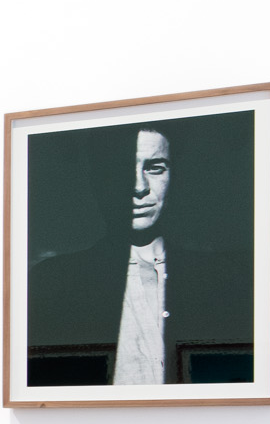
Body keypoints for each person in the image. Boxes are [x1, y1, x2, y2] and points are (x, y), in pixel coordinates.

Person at [27, 125, 253, 386]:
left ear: (174, 177)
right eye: (121, 169)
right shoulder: (55, 281)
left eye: (155, 168)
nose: (138, 186)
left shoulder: (224, 279)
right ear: (98, 180)